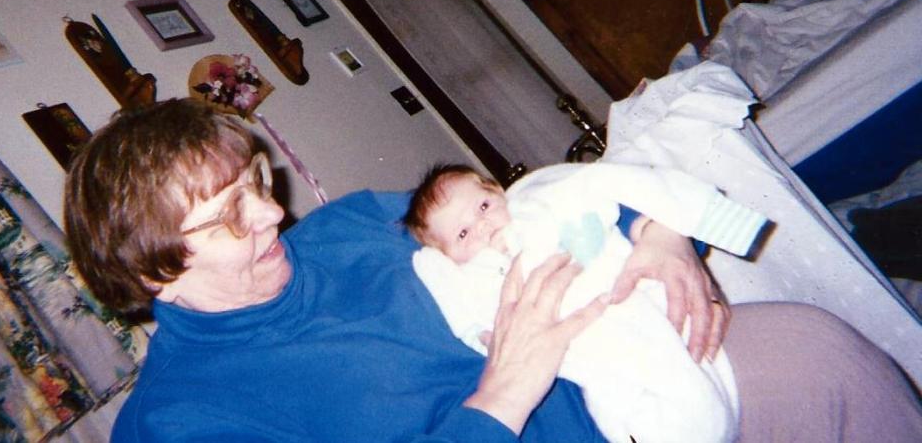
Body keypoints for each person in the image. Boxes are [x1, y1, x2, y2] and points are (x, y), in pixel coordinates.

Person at [63, 98, 922, 442]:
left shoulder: (358, 222)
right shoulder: (181, 423)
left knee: (822, 351)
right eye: (230, 216)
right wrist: (501, 396)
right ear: (152, 277)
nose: (274, 212)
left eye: (257, 181)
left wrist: (661, 232)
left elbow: (527, 215)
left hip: (624, 382)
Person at [404, 163, 772, 443]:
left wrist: (660, 229)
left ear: (499, 193)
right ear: (447, 254)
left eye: (483, 207)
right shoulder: (471, 275)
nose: (483, 227)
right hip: (587, 360)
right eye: (463, 233)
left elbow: (601, 189)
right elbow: (470, 317)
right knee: (617, 408)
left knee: (688, 392)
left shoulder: (535, 209)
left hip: (623, 309)